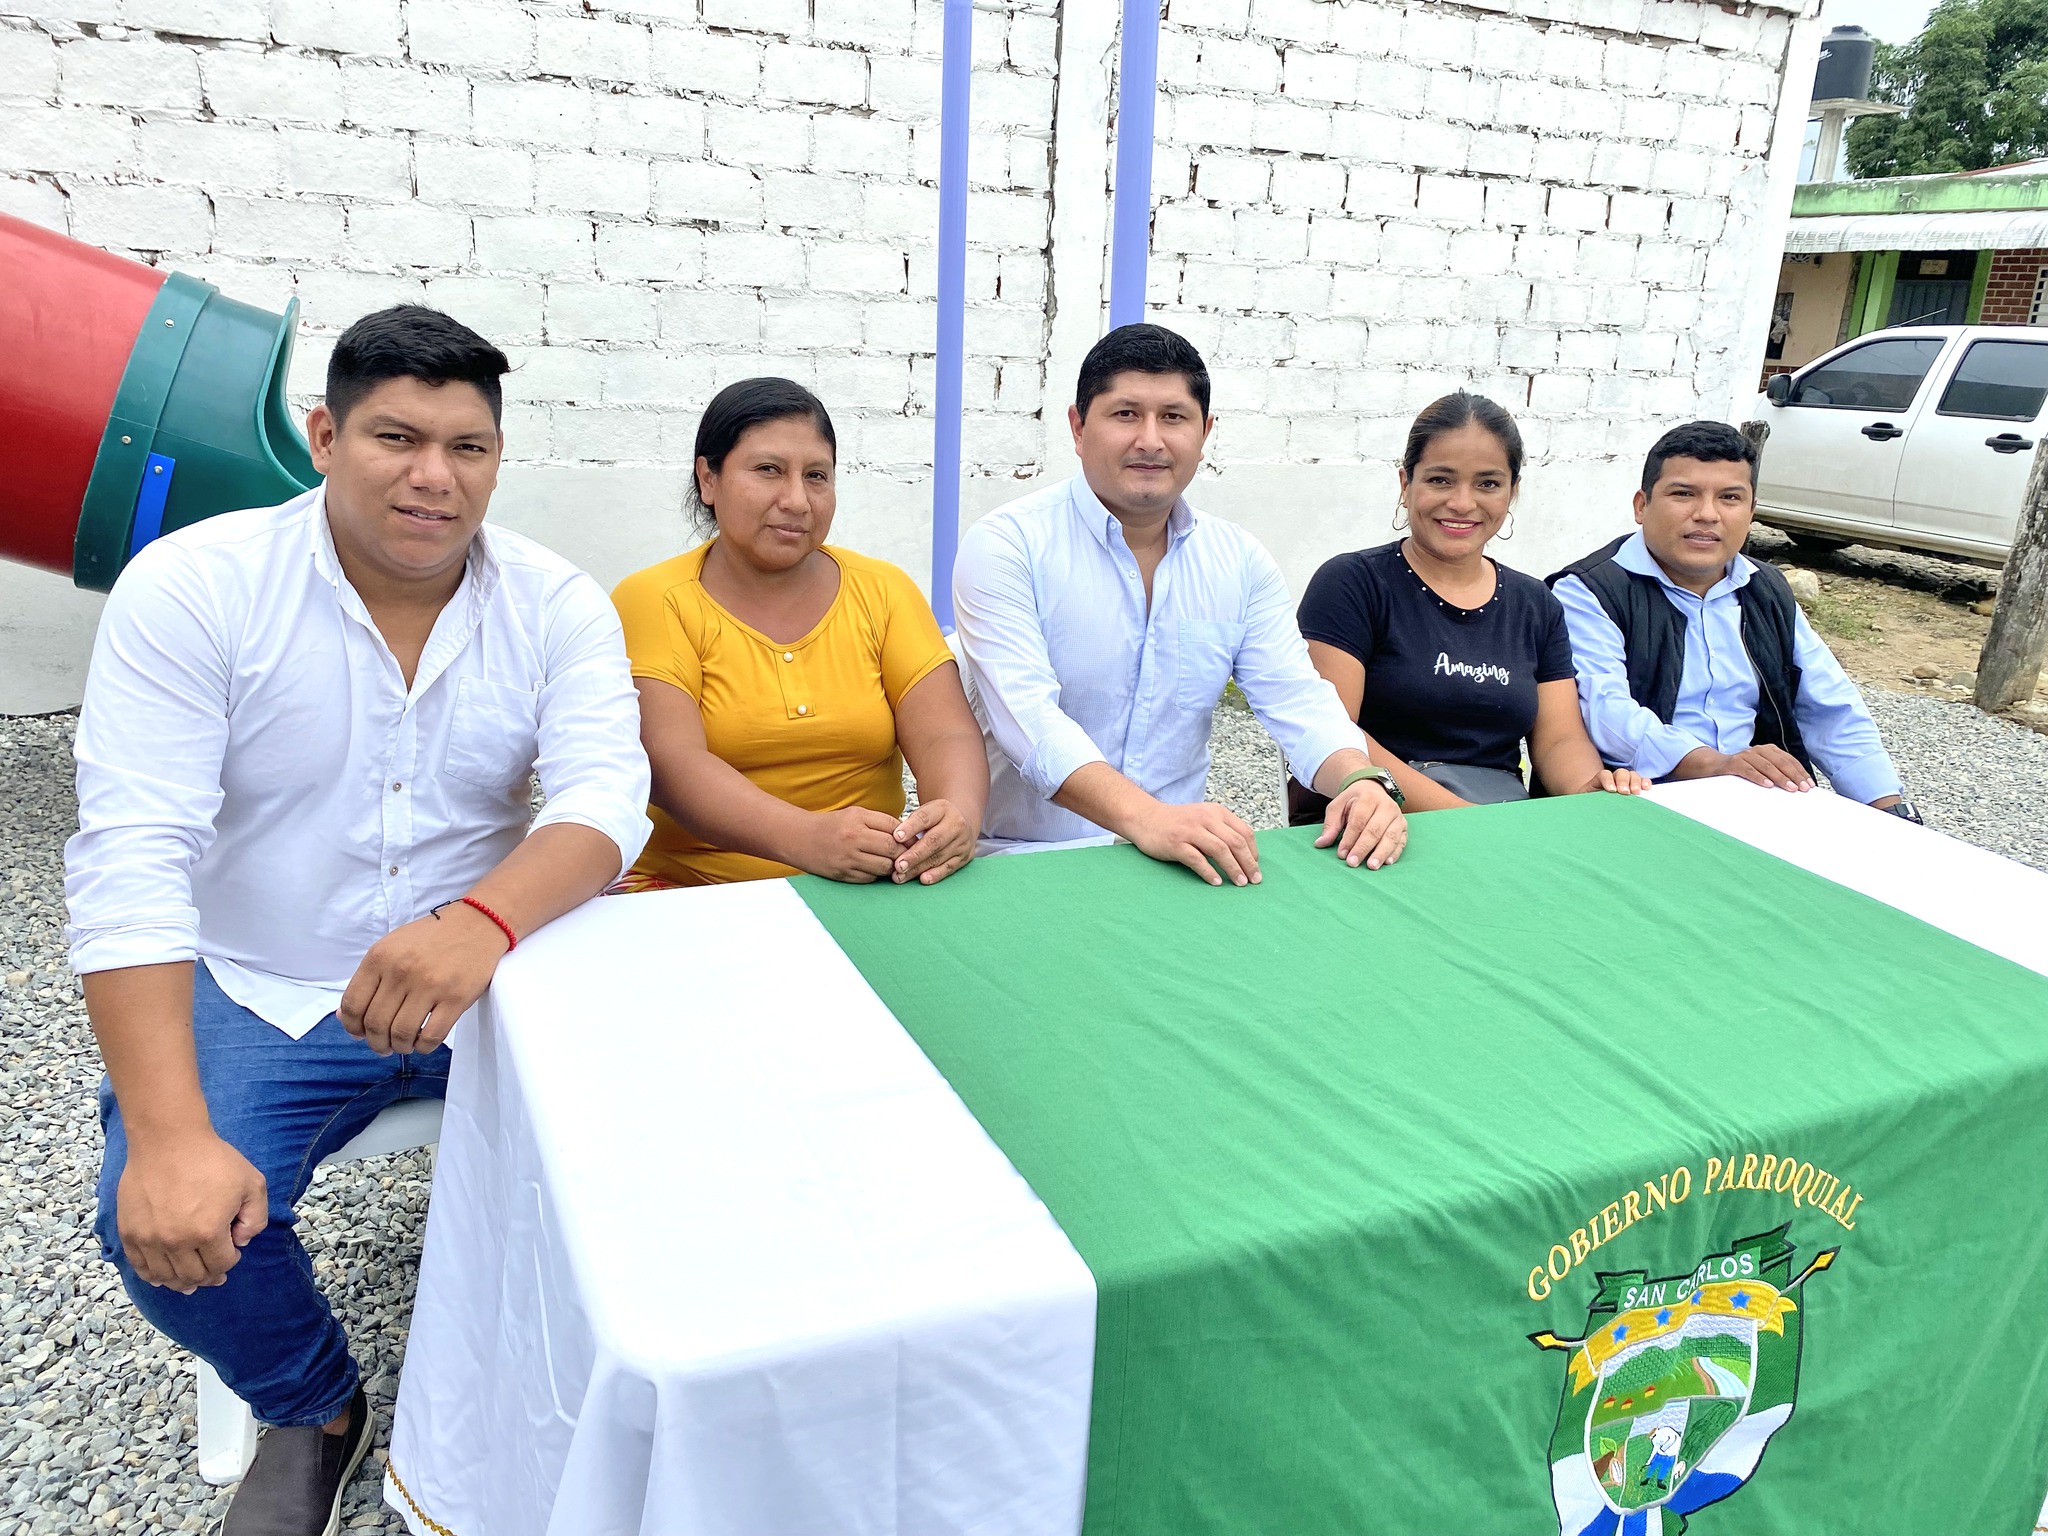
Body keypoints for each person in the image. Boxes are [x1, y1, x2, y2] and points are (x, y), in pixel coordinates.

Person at [65, 306, 652, 1536]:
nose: (435, 476)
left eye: (467, 448)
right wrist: (169, 1138)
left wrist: (482, 922)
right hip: (263, 979)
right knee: (161, 1219)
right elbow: (133, 859)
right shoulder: (198, 588)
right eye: (396, 437)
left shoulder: (552, 602)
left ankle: (633, 1377)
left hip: (496, 972)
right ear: (324, 437)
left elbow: (605, 798)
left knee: (692, 1138)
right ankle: (314, 1404)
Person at [952, 323, 1407, 885]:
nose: (1150, 440)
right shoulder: (1006, 545)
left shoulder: (1239, 561)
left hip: (1177, 866)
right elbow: (1028, 721)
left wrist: (1358, 780)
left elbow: (1297, 698)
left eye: (1173, 417)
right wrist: (1148, 818)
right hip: (1026, 862)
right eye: (1125, 414)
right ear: (1078, 427)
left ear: (1205, 431)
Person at [613, 377, 986, 887]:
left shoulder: (884, 591)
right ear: (708, 479)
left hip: (869, 883)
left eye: (816, 476)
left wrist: (955, 817)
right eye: (768, 470)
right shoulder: (655, 599)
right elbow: (671, 763)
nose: (797, 500)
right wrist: (808, 839)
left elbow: (945, 732)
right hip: (692, 888)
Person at [1293, 392, 1650, 814]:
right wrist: (1464, 818)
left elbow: (1560, 740)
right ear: (1406, 484)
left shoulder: (1535, 604)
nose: (1462, 503)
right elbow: (1336, 731)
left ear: (1512, 492)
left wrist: (1591, 789)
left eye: (1488, 484)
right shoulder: (1353, 583)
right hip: (1372, 816)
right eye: (1440, 480)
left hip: (1496, 815)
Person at [1549, 420, 1915, 817]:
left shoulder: (1767, 590)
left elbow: (1831, 707)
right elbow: (1606, 711)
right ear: (1642, 506)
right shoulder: (1589, 591)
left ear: (1751, 512)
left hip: (1755, 796)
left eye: (1729, 498)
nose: (1707, 514)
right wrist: (1717, 765)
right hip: (1636, 798)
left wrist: (1889, 810)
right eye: (1684, 494)